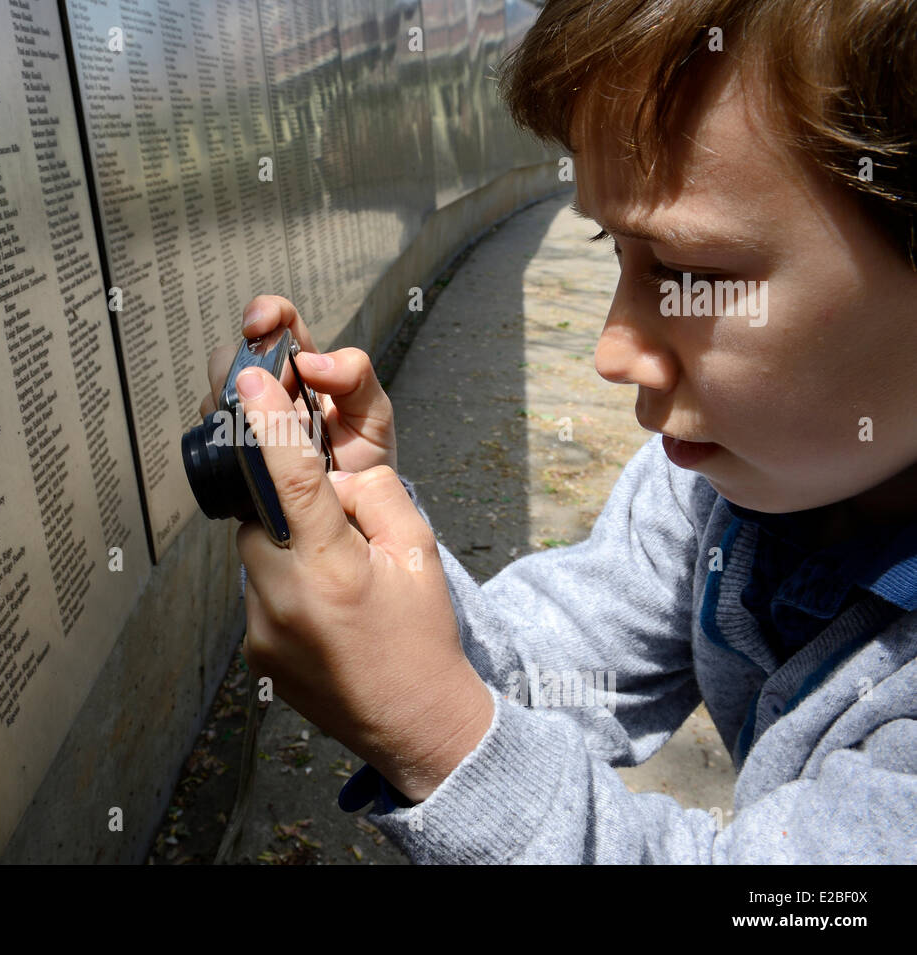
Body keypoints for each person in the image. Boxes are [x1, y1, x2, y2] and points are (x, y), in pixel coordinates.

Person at [198, 0, 917, 863]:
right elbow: (559, 669)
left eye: (689, 273)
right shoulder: (708, 489)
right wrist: (375, 540)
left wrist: (441, 740)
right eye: (617, 252)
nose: (612, 349)